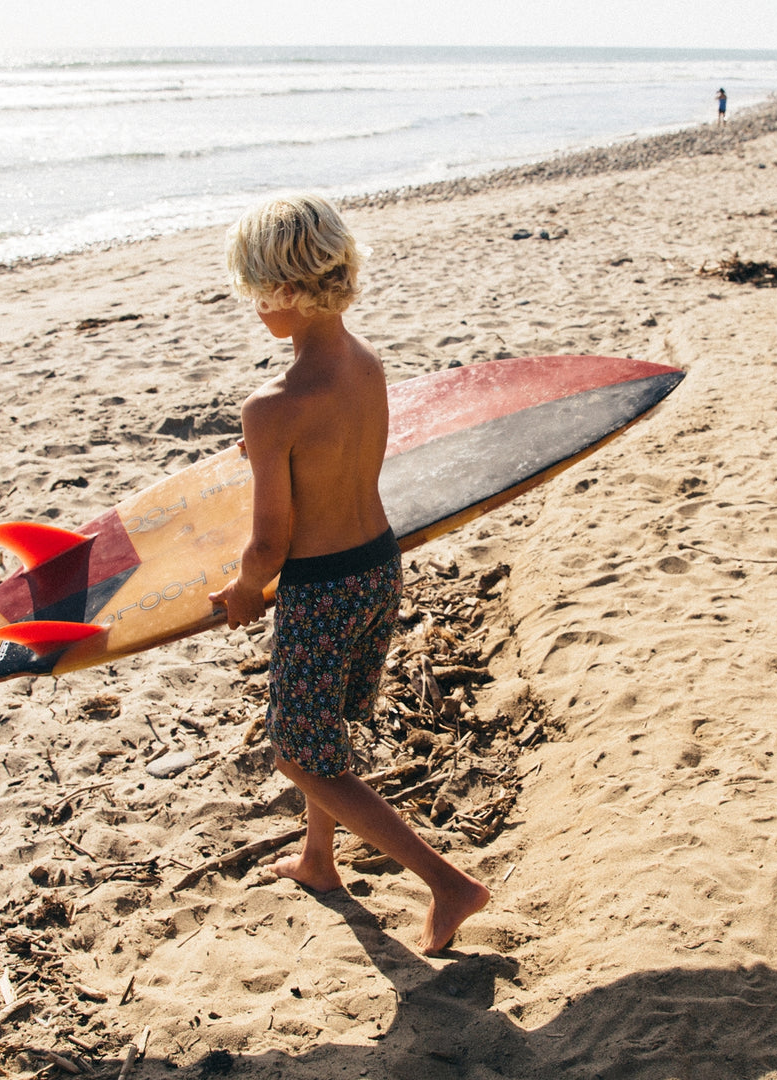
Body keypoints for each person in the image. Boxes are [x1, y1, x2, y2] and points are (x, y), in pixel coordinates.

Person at [208, 193, 489, 954]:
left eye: (257, 290)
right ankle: (319, 859)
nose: (254, 305)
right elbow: (340, 453)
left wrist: (241, 595)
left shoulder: (272, 406)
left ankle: (449, 884)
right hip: (377, 568)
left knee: (299, 753)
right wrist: (270, 454)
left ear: (291, 291)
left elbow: (270, 546)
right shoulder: (366, 363)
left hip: (322, 586)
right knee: (326, 729)